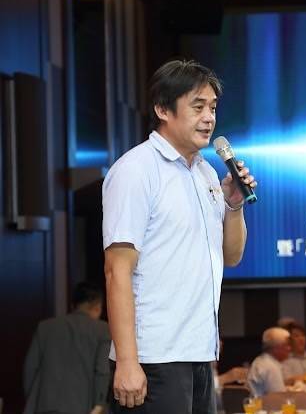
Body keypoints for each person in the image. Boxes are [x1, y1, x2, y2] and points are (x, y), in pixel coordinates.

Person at [103, 59, 257, 412]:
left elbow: (231, 256)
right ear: (163, 109)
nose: (209, 118)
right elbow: (116, 270)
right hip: (153, 357)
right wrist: (127, 361)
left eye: (213, 108)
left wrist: (234, 206)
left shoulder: (206, 174)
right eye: (197, 106)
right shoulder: (136, 170)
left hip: (199, 354)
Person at [23, 282, 111, 414]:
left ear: (73, 305)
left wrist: (33, 401)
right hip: (84, 407)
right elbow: (102, 370)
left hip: (45, 405)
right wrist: (99, 404)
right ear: (98, 307)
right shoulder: (102, 330)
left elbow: (30, 369)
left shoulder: (45, 327)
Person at [247, 327, 291, 396]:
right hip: (264, 403)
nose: (289, 348)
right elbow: (278, 398)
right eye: (286, 345)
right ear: (276, 348)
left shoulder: (260, 360)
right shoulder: (271, 367)